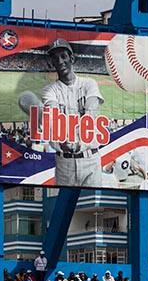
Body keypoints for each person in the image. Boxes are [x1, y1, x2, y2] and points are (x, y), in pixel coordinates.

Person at [41, 38, 105, 187]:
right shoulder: (49, 90)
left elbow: (91, 111)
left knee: (94, 206)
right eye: (55, 58)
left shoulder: (89, 83)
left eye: (63, 56)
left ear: (72, 58)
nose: (60, 61)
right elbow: (53, 112)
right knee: (63, 207)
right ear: (52, 63)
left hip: (90, 159)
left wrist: (79, 142)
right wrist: (63, 138)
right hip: (65, 163)